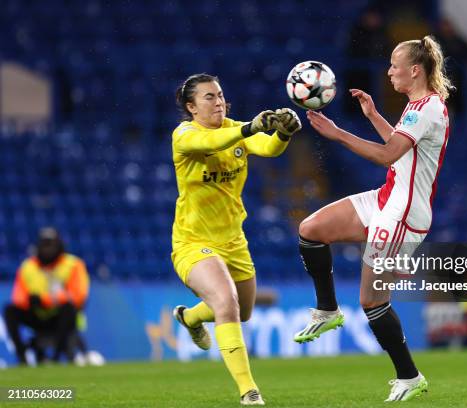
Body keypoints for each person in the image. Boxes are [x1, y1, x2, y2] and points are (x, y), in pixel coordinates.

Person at [296, 36, 452, 401]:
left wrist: (337, 134)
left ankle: (409, 377)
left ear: (414, 70)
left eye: (395, 64)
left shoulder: (425, 108)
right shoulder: (420, 107)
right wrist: (374, 116)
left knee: (372, 300)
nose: (389, 70)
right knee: (311, 229)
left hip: (403, 214)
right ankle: (327, 309)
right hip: (386, 198)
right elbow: (401, 153)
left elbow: (387, 155)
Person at [170, 73, 301, 406]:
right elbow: (210, 144)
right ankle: (249, 392)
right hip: (193, 241)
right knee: (226, 302)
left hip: (233, 241)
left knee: (242, 311)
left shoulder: (234, 127)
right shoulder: (184, 134)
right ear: (191, 106)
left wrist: (283, 133)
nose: (218, 102)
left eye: (220, 95)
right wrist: (249, 128)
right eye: (209, 97)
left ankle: (190, 317)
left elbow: (268, 148)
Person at [3, 227, 89, 365]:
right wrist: (29, 301)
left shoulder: (73, 264)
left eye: (51, 245)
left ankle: (55, 358)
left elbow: (79, 296)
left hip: (61, 317)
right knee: (10, 310)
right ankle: (22, 357)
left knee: (69, 309)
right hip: (38, 316)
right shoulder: (27, 266)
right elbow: (18, 297)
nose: (48, 249)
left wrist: (45, 300)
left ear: (59, 245)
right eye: (44, 245)